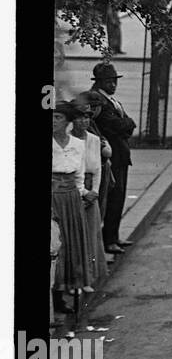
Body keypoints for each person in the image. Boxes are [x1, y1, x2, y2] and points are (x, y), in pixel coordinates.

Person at [51, 101, 95, 314]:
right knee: (56, 246)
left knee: (71, 243)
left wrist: (84, 194)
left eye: (58, 118)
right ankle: (56, 296)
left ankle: (70, 288)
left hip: (71, 198)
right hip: (53, 197)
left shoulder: (77, 144)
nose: (53, 122)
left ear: (68, 121)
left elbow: (79, 175)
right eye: (51, 117)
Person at [89, 61, 134, 254]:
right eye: (109, 81)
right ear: (99, 82)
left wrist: (126, 124)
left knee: (119, 198)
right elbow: (115, 125)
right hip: (111, 157)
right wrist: (126, 124)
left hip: (120, 155)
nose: (113, 85)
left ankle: (114, 236)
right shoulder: (98, 101)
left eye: (115, 81)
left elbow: (128, 123)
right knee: (113, 199)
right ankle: (109, 241)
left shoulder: (110, 100)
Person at [69, 96, 109, 289]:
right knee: (77, 237)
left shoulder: (93, 139)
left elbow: (98, 168)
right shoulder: (68, 140)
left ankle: (89, 277)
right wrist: (83, 192)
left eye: (87, 118)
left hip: (91, 188)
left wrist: (94, 191)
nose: (83, 122)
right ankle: (77, 278)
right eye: (79, 118)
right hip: (76, 189)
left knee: (91, 235)